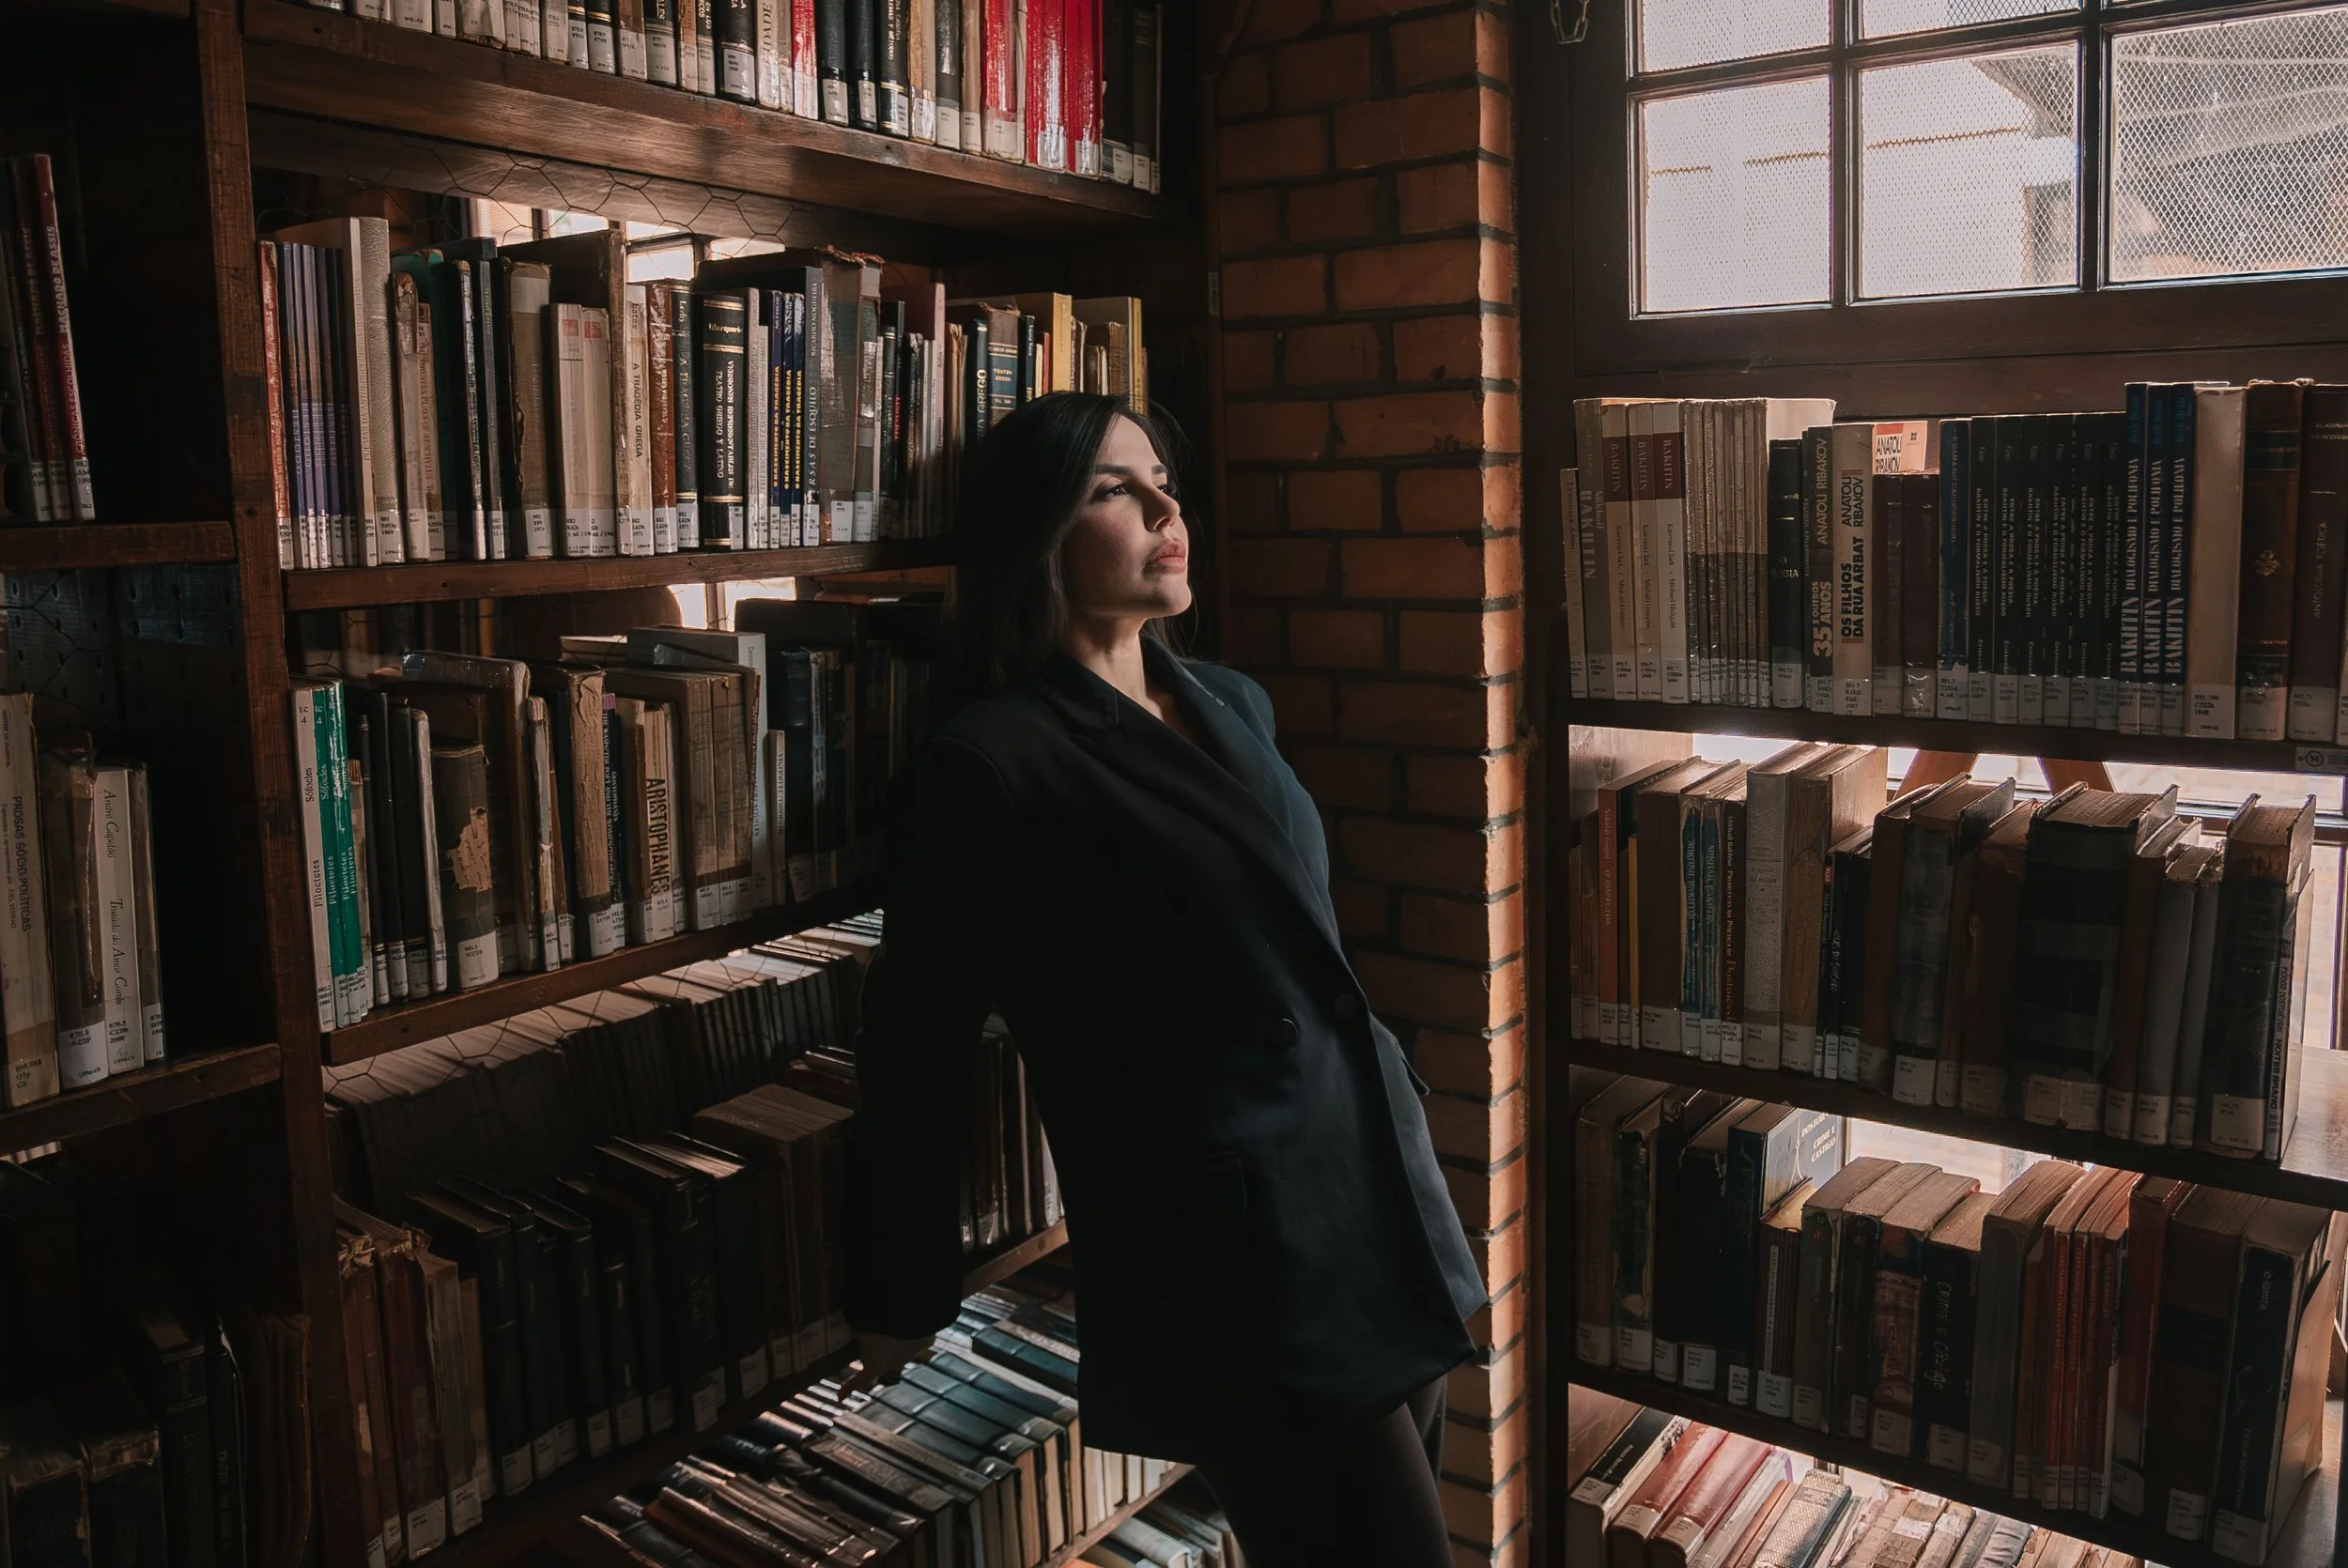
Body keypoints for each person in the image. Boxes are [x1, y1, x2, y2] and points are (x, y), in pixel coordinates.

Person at [842, 392, 1486, 1568]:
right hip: (1244, 1260)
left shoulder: (1229, 699)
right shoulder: (989, 764)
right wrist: (896, 1285)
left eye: (1159, 479)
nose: (1162, 506)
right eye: (1110, 490)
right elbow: (916, 1041)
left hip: (1376, 1194)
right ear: (1035, 534)